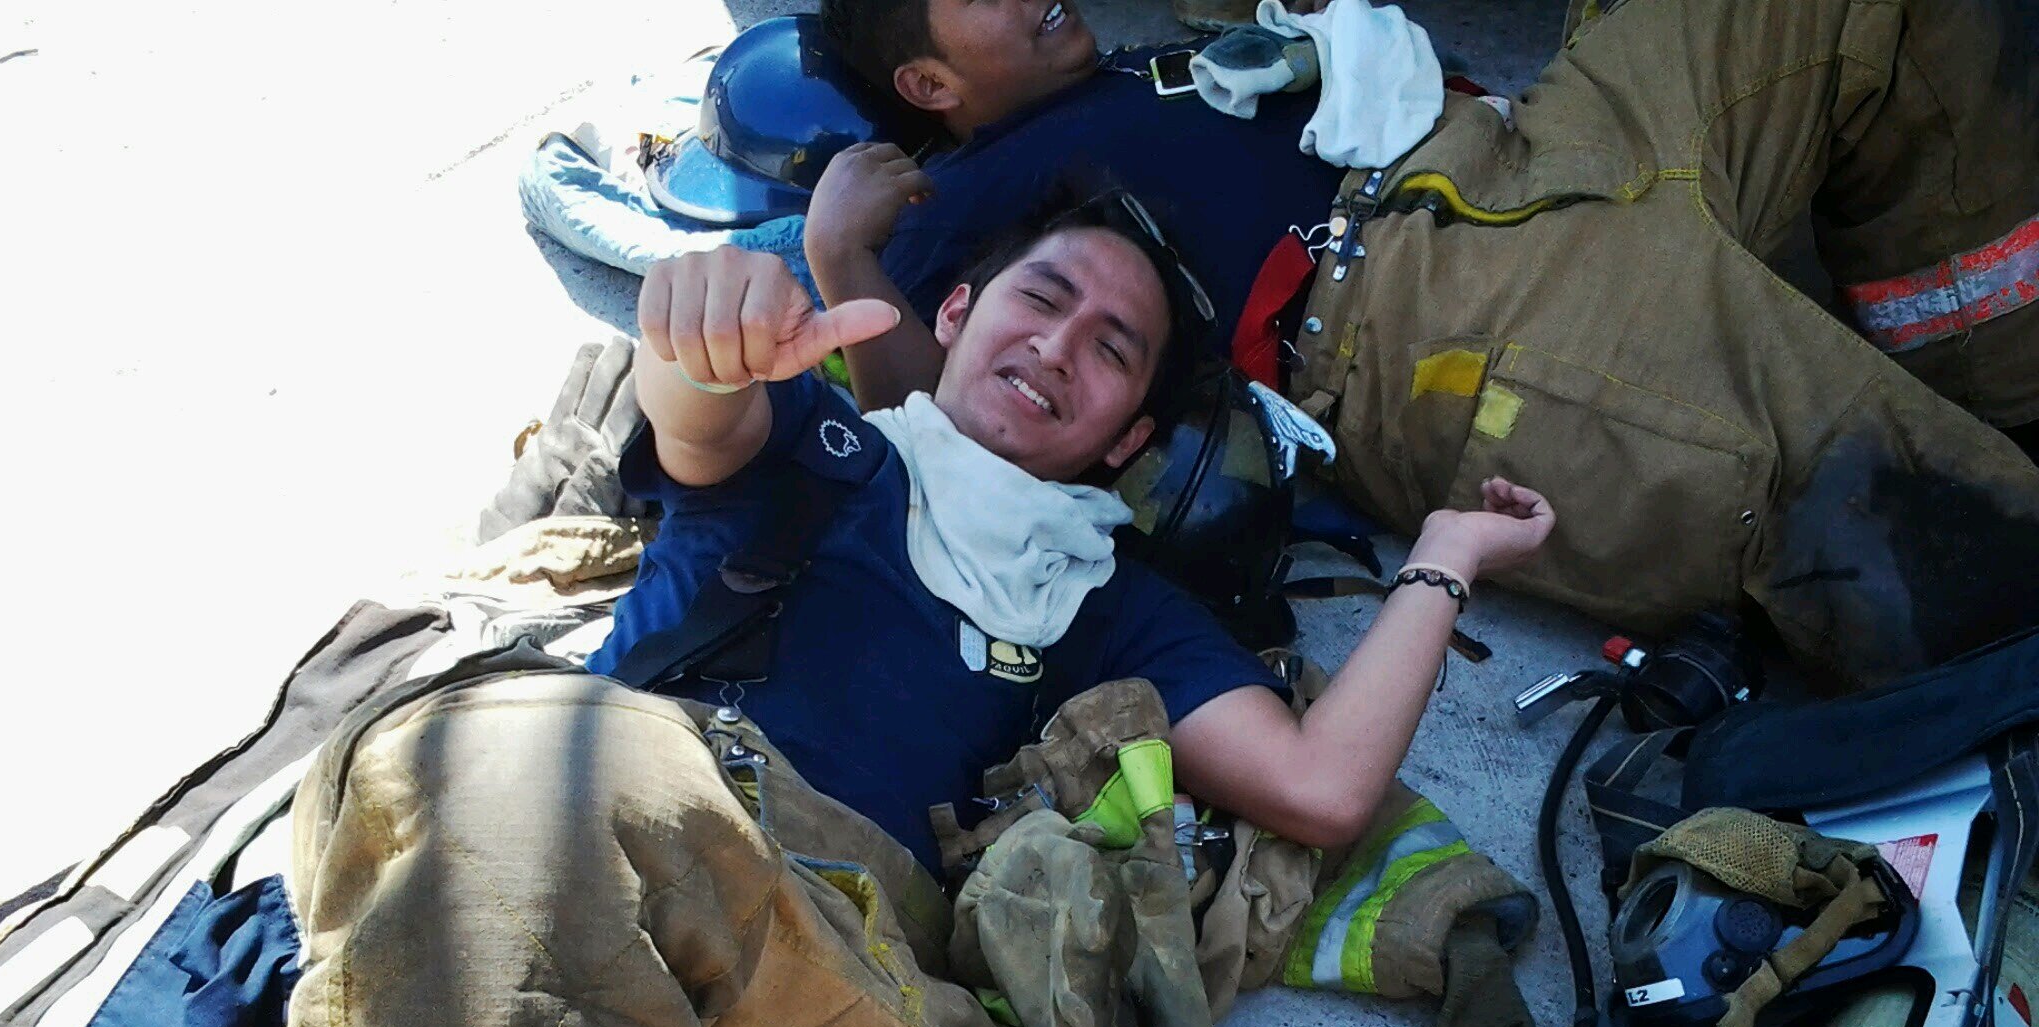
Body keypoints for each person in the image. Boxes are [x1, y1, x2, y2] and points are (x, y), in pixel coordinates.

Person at [282, 196, 1554, 1027]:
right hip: (598, 861)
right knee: (508, 761)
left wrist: (1444, 560)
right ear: (956, 317)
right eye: (1041, 296)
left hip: (834, 981)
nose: (1064, 343)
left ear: (1123, 438)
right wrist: (695, 342)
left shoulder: (1108, 603)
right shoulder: (825, 446)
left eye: (1114, 348)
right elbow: (703, 410)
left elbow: (1323, 785)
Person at [810, 0, 2039, 688]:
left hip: (1513, 146)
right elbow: (937, 448)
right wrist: (843, 261)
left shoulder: (1113, 71)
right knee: (1919, 516)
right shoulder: (947, 212)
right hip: (1425, 321)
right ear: (924, 87)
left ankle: (2003, 384)